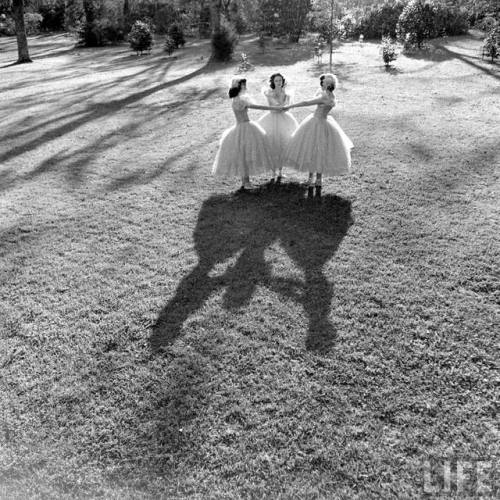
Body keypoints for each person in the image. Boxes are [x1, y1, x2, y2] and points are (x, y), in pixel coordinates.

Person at [284, 73, 353, 198]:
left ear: (327, 85)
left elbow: (306, 102)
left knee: (312, 150)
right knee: (319, 151)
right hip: (325, 122)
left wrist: (290, 106)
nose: (322, 84)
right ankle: (318, 180)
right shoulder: (332, 95)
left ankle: (311, 179)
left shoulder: (324, 96)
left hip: (316, 123)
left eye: (324, 82)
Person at [212, 77, 280, 191]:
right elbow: (258, 107)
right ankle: (246, 182)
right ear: (238, 87)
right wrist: (273, 107)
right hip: (246, 127)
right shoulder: (240, 100)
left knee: (243, 155)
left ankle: (245, 181)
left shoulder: (235, 99)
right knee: (245, 155)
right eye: (243, 85)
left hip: (240, 127)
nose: (245, 87)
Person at [257, 73, 298, 185]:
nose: (279, 83)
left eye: (280, 80)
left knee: (283, 143)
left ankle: (280, 171)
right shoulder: (269, 93)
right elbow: (274, 108)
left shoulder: (287, 93)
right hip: (272, 120)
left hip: (284, 120)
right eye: (276, 81)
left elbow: (286, 108)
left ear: (282, 81)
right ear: (273, 82)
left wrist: (284, 103)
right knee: (272, 143)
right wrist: (281, 106)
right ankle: (273, 172)